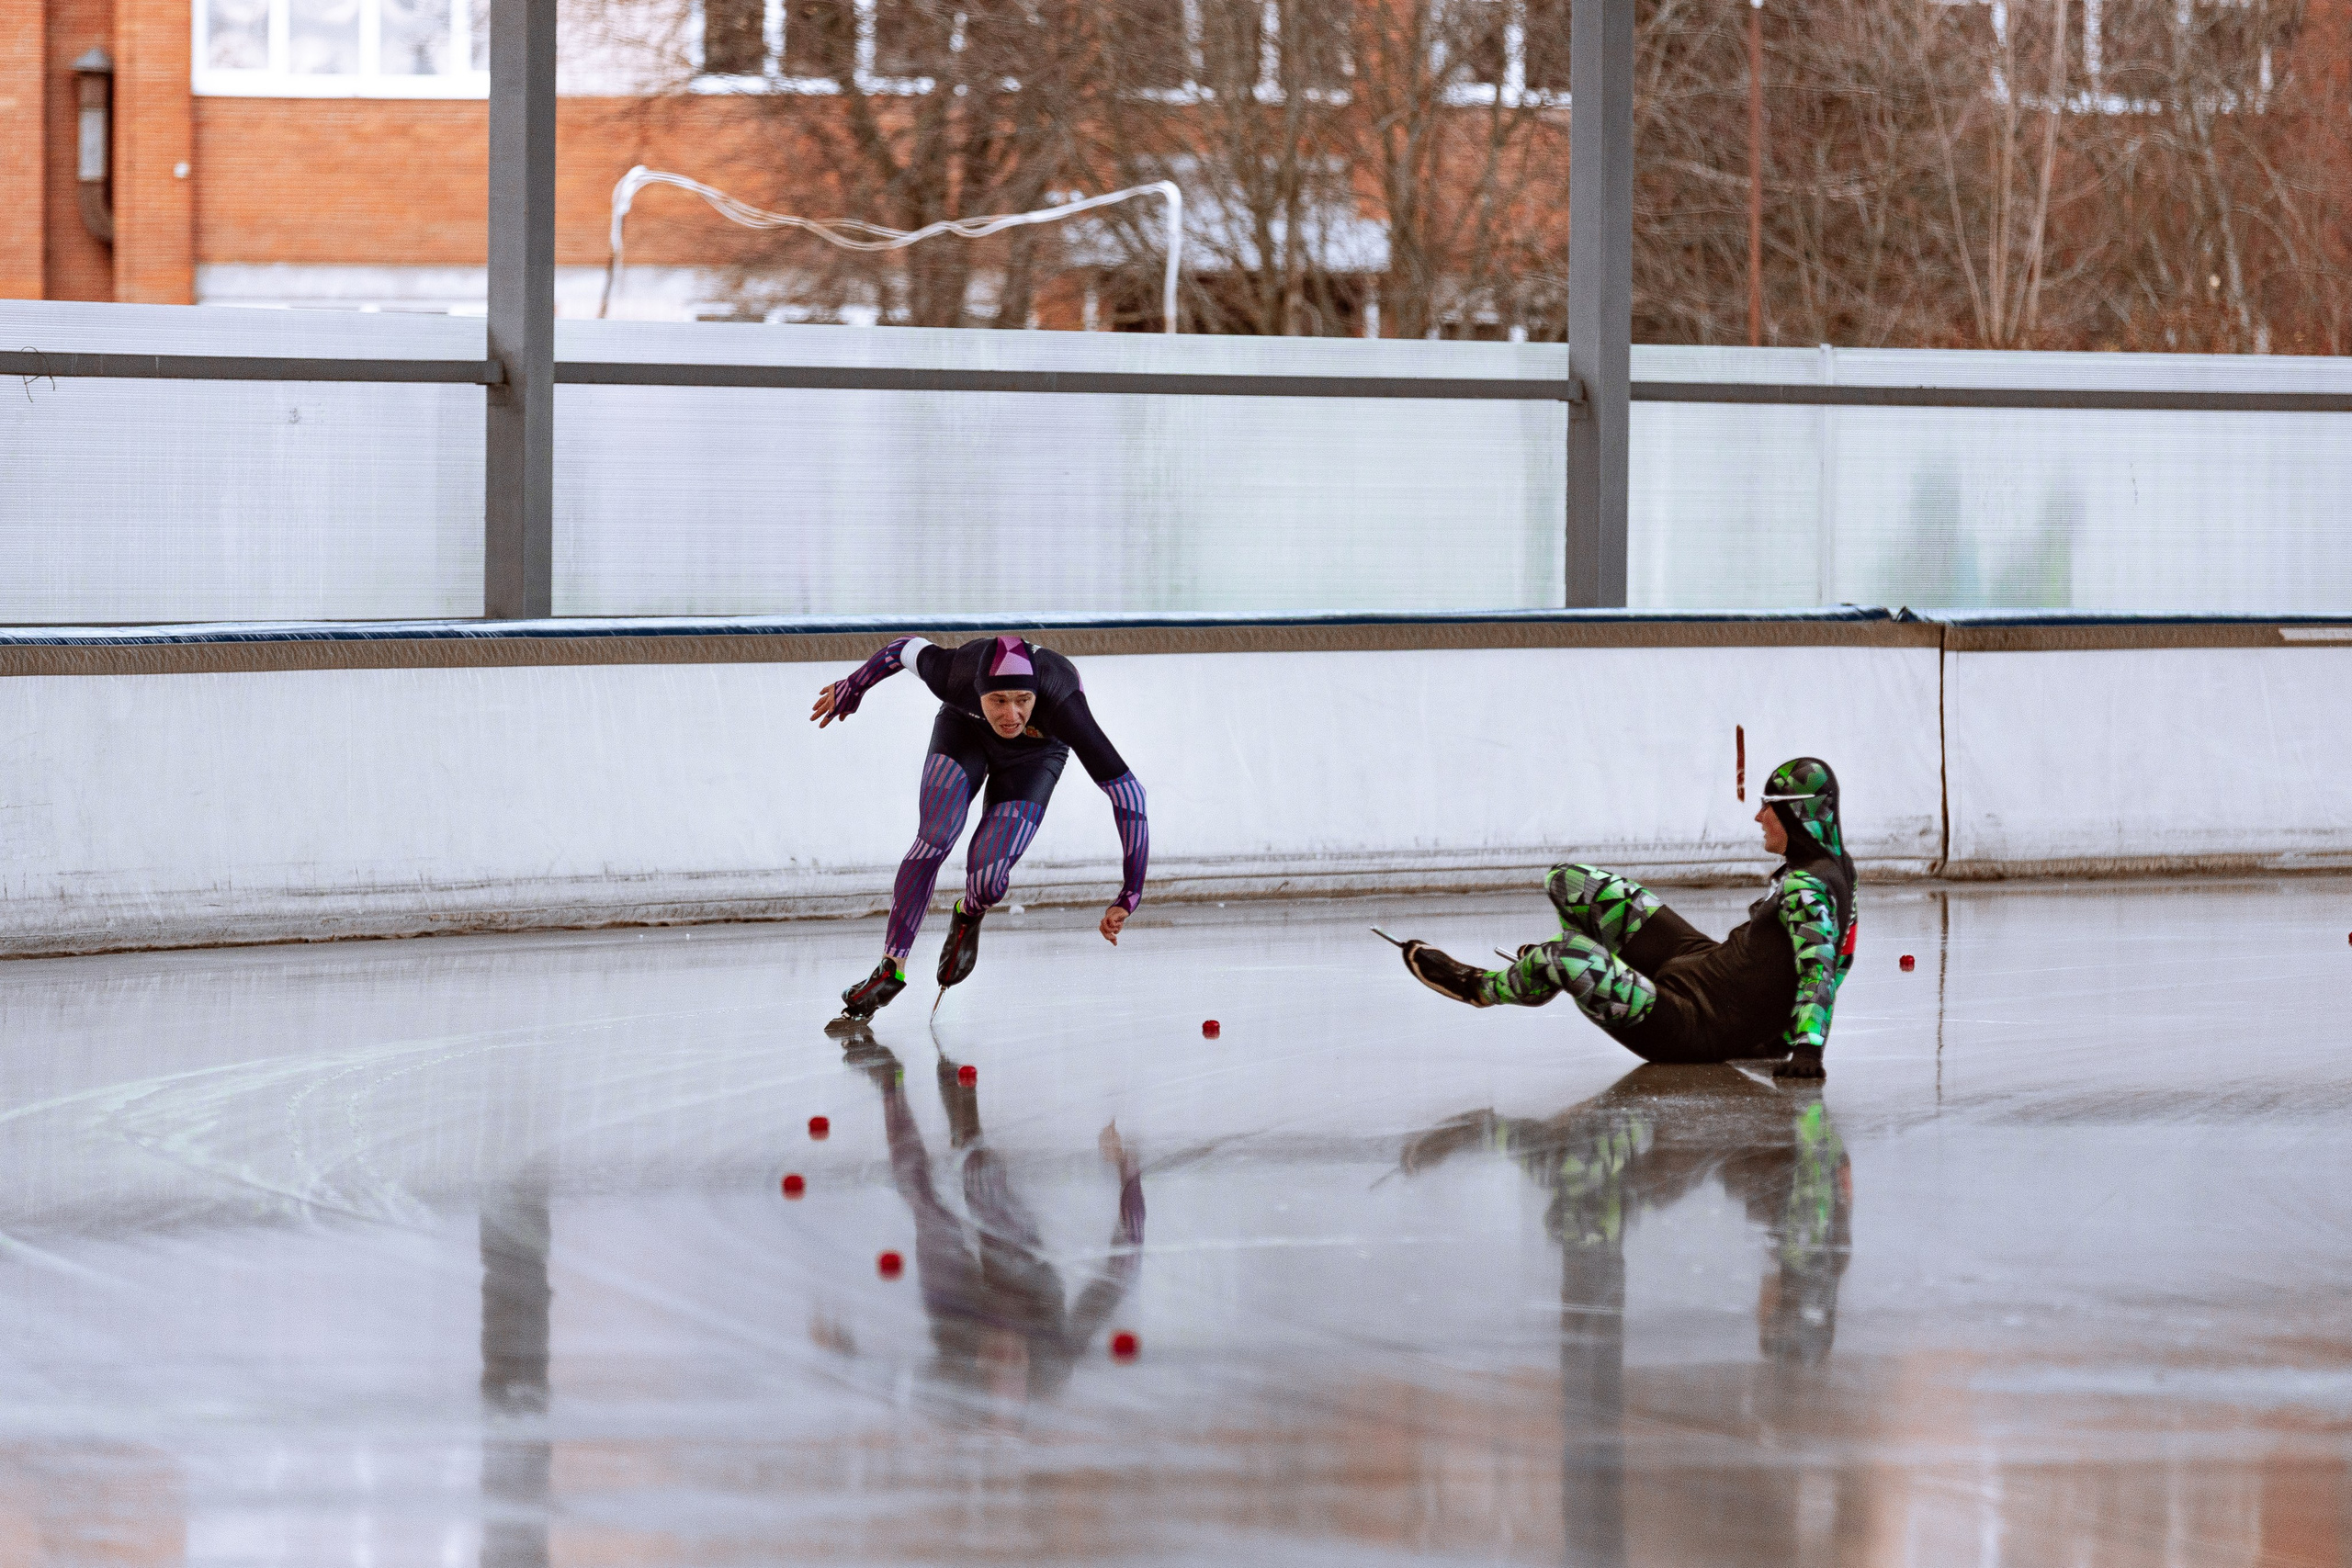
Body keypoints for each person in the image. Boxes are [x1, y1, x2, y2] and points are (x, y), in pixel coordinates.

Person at [1391, 757, 1857, 1082]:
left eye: (1768, 806)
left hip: (1692, 1023)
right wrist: (1771, 1032)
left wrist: (1807, 1047)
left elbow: (1823, 964)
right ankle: (1554, 978)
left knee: (1570, 957)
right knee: (1568, 881)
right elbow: (1844, 953)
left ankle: (1479, 987)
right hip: (1702, 963)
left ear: (1796, 815)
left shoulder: (1807, 887)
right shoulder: (1837, 868)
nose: (1758, 816)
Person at [811, 634, 1148, 1022]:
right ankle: (890, 968)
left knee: (989, 881)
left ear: (1037, 692)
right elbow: (901, 649)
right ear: (978, 690)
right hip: (964, 732)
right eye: (998, 701)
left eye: (1023, 700)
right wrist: (854, 686)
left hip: (1035, 757)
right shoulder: (952, 672)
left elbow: (1130, 796)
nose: (1011, 716)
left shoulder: (1063, 702)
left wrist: (1129, 894)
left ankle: (968, 914)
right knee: (935, 837)